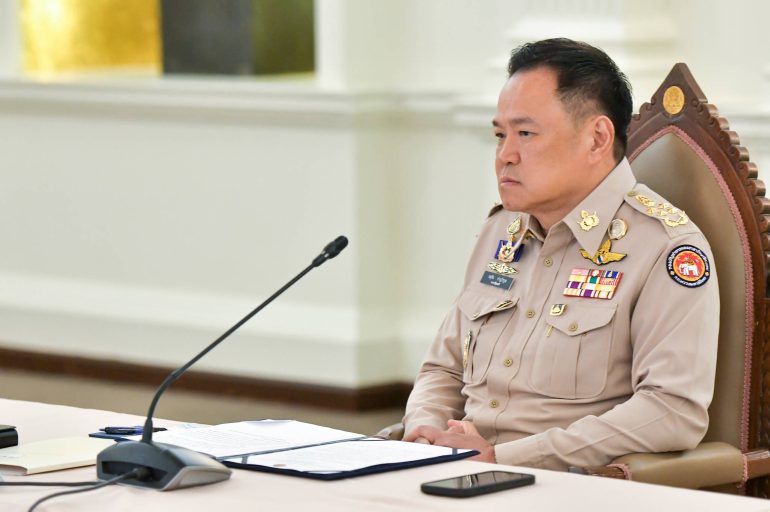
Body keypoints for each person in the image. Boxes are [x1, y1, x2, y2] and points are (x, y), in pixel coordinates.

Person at [402, 38, 719, 470]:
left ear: (597, 138)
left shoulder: (665, 247)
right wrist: (425, 430)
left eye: (525, 134)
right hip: (457, 471)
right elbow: (443, 369)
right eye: (500, 135)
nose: (505, 156)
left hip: (565, 483)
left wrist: (507, 457)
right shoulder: (501, 231)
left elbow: (673, 411)